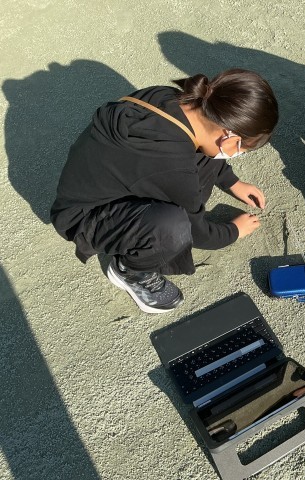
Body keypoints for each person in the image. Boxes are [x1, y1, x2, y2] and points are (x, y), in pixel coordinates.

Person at [51, 69, 279, 313]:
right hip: (84, 216)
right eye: (242, 149)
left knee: (205, 150)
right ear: (229, 137)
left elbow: (208, 150)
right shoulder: (173, 164)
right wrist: (234, 231)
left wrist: (232, 182)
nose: (238, 154)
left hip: (98, 181)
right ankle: (130, 271)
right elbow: (198, 233)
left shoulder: (174, 100)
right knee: (174, 227)